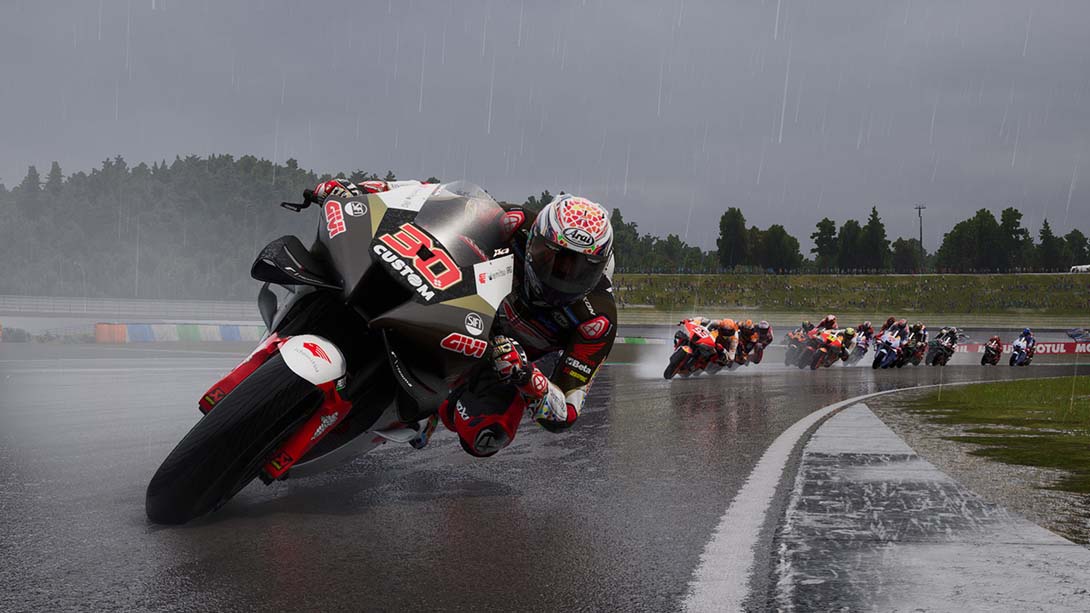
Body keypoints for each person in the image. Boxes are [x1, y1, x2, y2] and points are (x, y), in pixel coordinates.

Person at [312, 180, 617, 457]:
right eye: (548, 256)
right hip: (460, 303)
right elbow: (435, 196)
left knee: (485, 436)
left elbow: (565, 413)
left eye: (578, 269)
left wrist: (526, 376)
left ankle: (435, 410)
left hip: (510, 360)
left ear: (599, 269)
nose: (559, 274)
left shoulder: (596, 320)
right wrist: (366, 190)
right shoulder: (516, 222)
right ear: (535, 237)